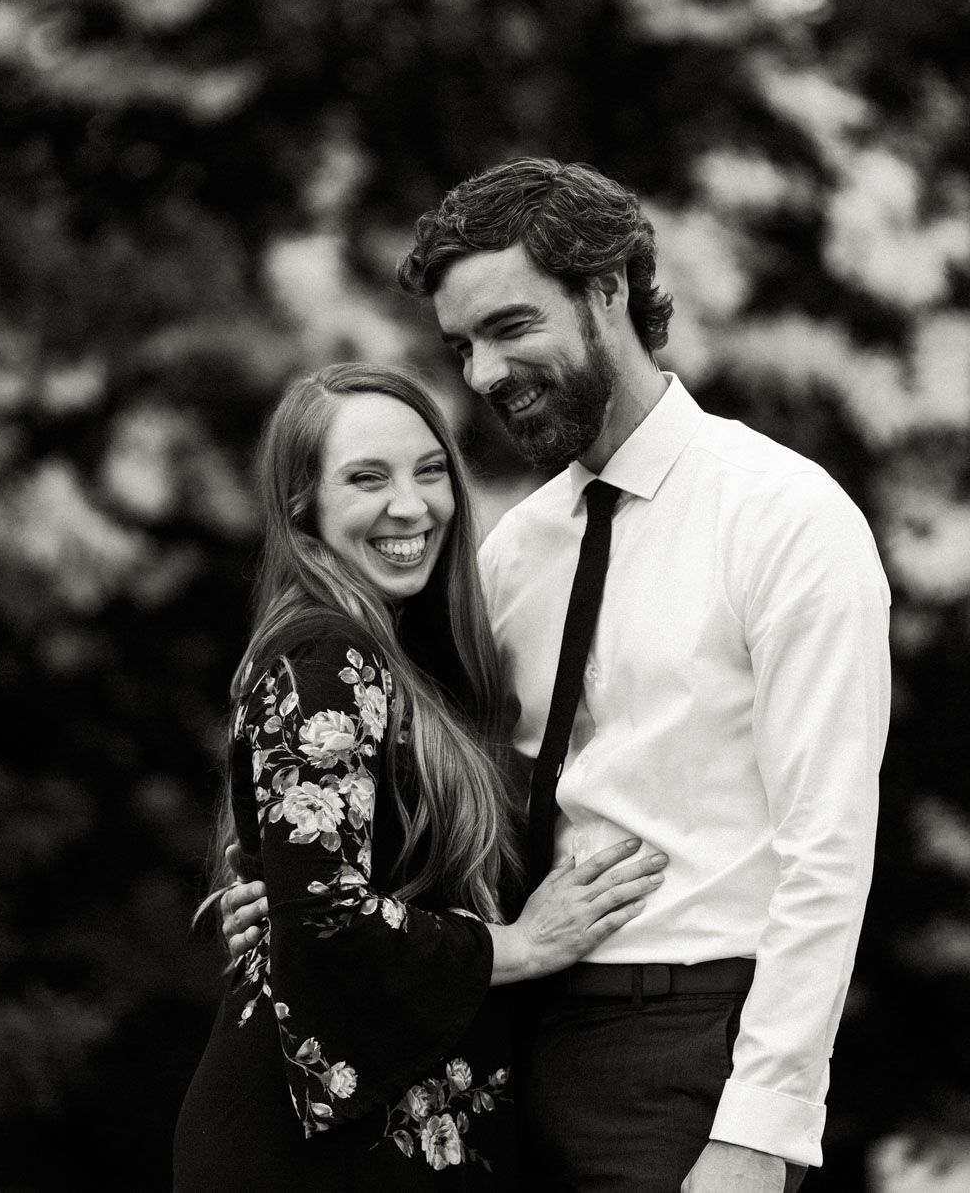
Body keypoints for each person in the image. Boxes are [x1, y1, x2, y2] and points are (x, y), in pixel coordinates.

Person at [223, 161, 891, 1193]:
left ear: (606, 292)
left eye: (509, 328)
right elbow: (438, 798)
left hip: (677, 1047)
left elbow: (827, 851)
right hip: (489, 1045)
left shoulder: (784, 518)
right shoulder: (507, 555)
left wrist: (763, 1128)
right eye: (462, 347)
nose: (483, 374)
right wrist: (307, 906)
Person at [174, 361, 669, 1191]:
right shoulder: (326, 657)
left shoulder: (410, 665)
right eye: (367, 478)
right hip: (314, 1155)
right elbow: (328, 926)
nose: (412, 506)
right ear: (305, 507)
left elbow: (319, 903)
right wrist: (516, 946)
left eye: (430, 470)